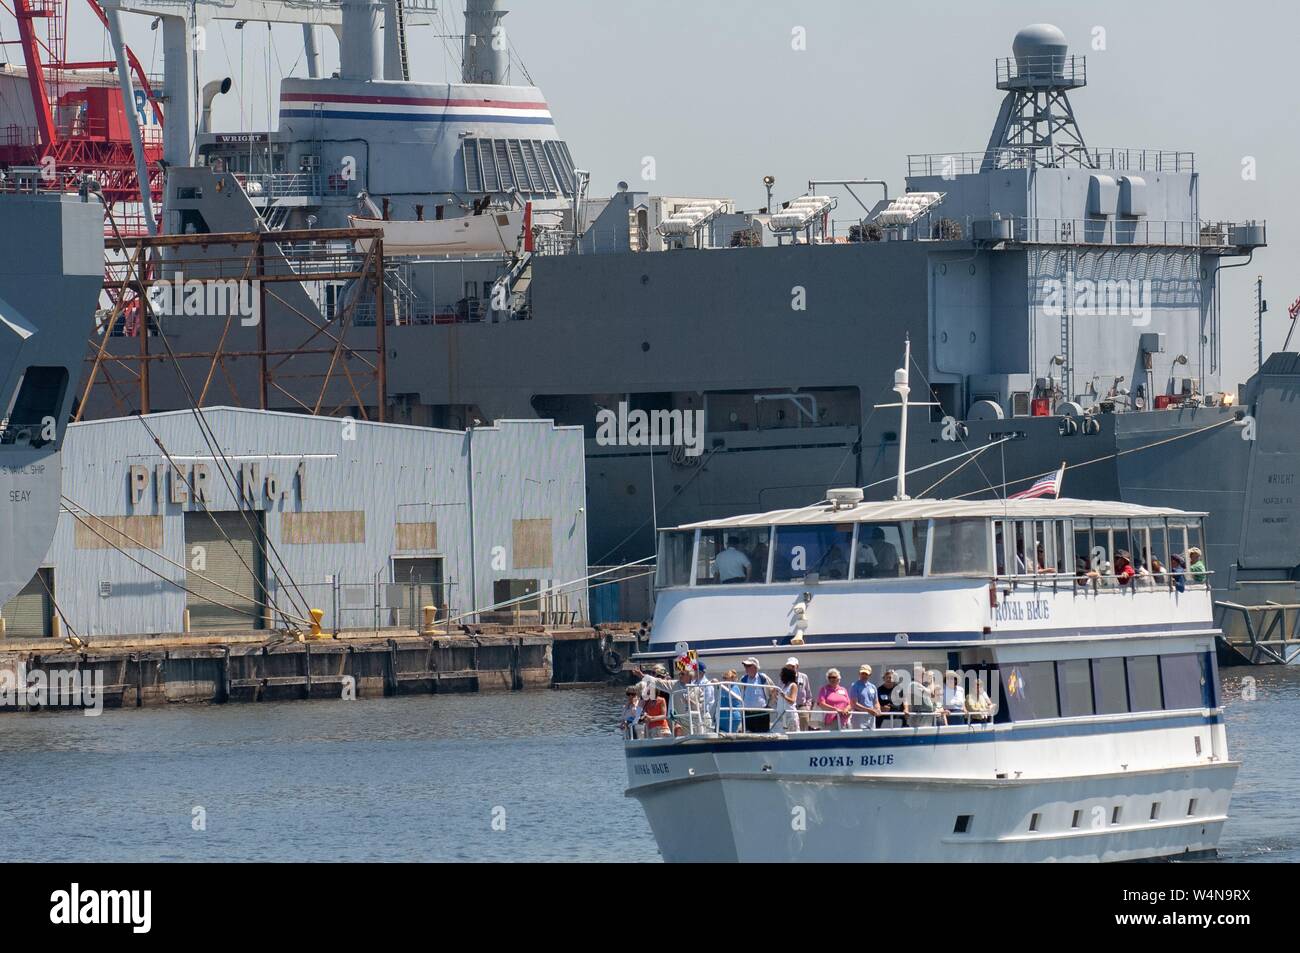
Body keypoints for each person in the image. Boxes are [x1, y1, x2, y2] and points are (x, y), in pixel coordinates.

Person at [738, 657, 775, 733]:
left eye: (748, 666)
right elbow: (740, 694)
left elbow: (774, 691)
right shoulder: (743, 679)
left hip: (762, 713)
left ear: (755, 667)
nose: (746, 668)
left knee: (763, 736)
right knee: (747, 737)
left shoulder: (763, 678)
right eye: (745, 666)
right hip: (747, 713)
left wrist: (769, 706)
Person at [848, 664, 880, 729]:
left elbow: (876, 702)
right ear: (859, 673)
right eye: (862, 673)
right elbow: (854, 704)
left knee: (872, 737)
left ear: (870, 675)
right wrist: (869, 710)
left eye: (866, 674)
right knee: (859, 737)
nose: (864, 675)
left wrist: (878, 709)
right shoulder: (854, 686)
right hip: (859, 717)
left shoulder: (873, 687)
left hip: (871, 717)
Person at [786, 657, 813, 729]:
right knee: (789, 729)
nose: (790, 669)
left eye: (792, 666)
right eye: (788, 667)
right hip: (789, 707)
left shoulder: (804, 677)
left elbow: (809, 694)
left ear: (797, 667)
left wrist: (808, 707)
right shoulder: (783, 678)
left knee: (804, 729)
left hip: (802, 707)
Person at [774, 665, 801, 733]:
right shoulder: (783, 686)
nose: (780, 676)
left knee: (792, 735)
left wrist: (784, 696)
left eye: (782, 675)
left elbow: (792, 700)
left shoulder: (793, 685)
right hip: (781, 716)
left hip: (790, 716)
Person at [716, 668, 744, 733]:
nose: (723, 680)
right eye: (723, 678)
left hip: (732, 718)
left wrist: (721, 685)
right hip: (722, 718)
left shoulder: (735, 687)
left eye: (725, 678)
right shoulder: (723, 687)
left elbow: (732, 695)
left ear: (732, 678)